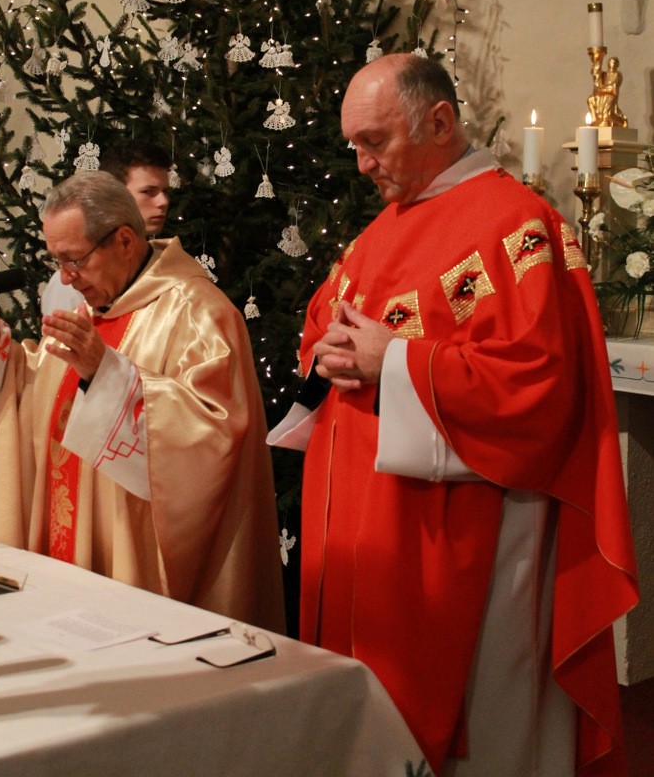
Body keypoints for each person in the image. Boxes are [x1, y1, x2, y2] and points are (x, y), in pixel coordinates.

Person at [269, 54, 638, 776]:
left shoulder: (518, 225)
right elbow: (325, 324)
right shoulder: (381, 230)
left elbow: (537, 386)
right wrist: (329, 355)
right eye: (354, 145)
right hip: (369, 524)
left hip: (466, 534)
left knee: (479, 728)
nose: (362, 164)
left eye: (374, 141)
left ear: (439, 122)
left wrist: (394, 363)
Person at [0, 172, 284, 631]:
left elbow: (215, 440)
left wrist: (107, 374)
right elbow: (29, 398)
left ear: (123, 240)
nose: (65, 277)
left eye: (75, 259)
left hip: (144, 569)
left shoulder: (199, 313)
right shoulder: (88, 314)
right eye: (57, 260)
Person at [41, 139, 172, 314]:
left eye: (165, 191)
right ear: (116, 194)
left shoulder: (177, 283)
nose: (163, 201)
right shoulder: (73, 284)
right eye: (148, 192)